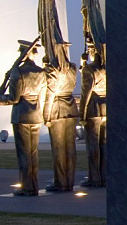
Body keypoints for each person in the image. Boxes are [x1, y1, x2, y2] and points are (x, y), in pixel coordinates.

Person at [0, 39, 46, 196]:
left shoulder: (18, 72)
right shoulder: (41, 72)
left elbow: (14, 98)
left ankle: (26, 187)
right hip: (36, 116)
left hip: (21, 116)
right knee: (33, 153)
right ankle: (33, 185)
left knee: (23, 153)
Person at [43, 43, 79, 191]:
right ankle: (69, 180)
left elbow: (50, 93)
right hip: (70, 108)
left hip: (57, 110)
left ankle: (61, 181)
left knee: (58, 148)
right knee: (70, 148)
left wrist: (46, 115)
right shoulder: (73, 67)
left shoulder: (53, 69)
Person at [79, 43, 107, 187]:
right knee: (104, 144)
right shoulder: (106, 67)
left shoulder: (89, 69)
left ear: (92, 51)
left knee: (93, 145)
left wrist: (82, 115)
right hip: (106, 108)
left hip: (94, 108)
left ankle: (94, 177)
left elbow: (86, 93)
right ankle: (105, 175)